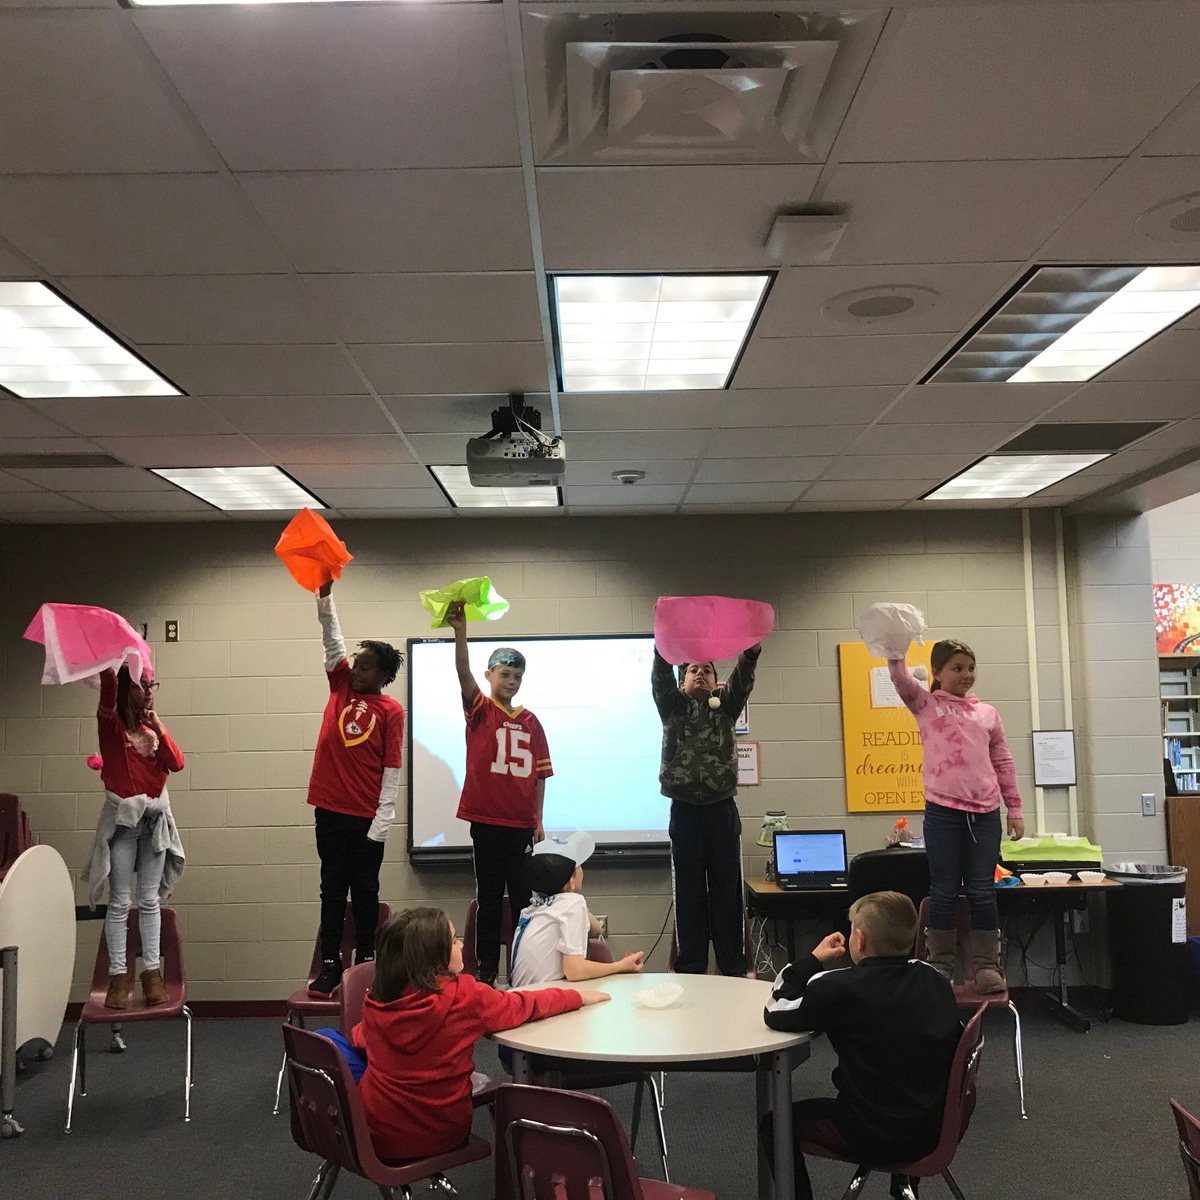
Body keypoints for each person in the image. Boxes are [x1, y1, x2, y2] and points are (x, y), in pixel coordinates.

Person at [318, 907, 609, 1162]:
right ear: (435, 957)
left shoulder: (379, 1000)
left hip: (375, 1136)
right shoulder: (466, 996)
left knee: (329, 1038)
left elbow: (360, 1039)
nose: (460, 946)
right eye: (455, 940)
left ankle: (344, 1112)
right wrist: (576, 997)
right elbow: (525, 1005)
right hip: (442, 1135)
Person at [761, 892, 961, 1200]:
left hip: (871, 1131)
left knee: (775, 1125)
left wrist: (812, 960)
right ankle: (905, 1186)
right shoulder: (934, 979)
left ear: (860, 939)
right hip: (935, 1126)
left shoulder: (838, 987)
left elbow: (776, 1010)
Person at [889, 639, 1024, 992]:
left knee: (982, 891)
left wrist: (1016, 809)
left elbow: (1004, 762)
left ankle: (985, 966)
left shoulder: (988, 714)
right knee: (944, 891)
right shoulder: (926, 705)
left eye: (970, 668)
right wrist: (894, 653)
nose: (966, 675)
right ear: (937, 673)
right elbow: (902, 681)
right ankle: (939, 965)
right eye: (957, 668)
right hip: (943, 812)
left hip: (985, 813)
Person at [306, 578, 405, 996]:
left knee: (366, 891)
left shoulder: (391, 710)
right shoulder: (341, 687)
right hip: (330, 810)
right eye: (356, 664)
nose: (355, 669)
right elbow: (333, 641)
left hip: (367, 819)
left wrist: (381, 822)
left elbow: (392, 769)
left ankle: (366, 960)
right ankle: (331, 964)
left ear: (382, 675)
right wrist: (325, 597)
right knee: (332, 889)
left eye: (365, 666)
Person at [446, 601, 552, 987]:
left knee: (524, 903)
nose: (511, 681)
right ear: (490, 675)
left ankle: (523, 969)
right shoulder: (481, 711)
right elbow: (462, 673)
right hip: (487, 822)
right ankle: (487, 972)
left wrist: (538, 820)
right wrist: (461, 632)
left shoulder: (531, 722)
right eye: (505, 673)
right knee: (490, 900)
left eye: (517, 676)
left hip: (520, 825)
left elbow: (541, 776)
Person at [651, 642, 762, 975]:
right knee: (689, 894)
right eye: (693, 670)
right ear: (682, 681)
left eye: (707, 670)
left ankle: (733, 967)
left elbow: (743, 679)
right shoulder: (672, 706)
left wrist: (751, 652)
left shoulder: (726, 708)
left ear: (716, 681)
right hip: (684, 811)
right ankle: (691, 968)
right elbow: (659, 678)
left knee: (727, 892)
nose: (700, 673)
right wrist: (662, 648)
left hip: (721, 810)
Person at [82, 665, 186, 1010]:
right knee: (119, 903)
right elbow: (108, 694)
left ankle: (153, 975)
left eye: (151, 684)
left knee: (150, 901)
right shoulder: (111, 728)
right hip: (125, 827)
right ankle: (118, 978)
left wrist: (158, 725)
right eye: (142, 685)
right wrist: (113, 666)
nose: (150, 690)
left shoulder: (150, 729)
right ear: (127, 690)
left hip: (153, 824)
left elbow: (177, 762)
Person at [508, 831, 645, 987]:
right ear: (571, 881)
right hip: (542, 1001)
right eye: (579, 865)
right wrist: (621, 967)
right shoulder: (572, 903)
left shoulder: (535, 907)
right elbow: (575, 971)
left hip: (523, 997)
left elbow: (594, 927)